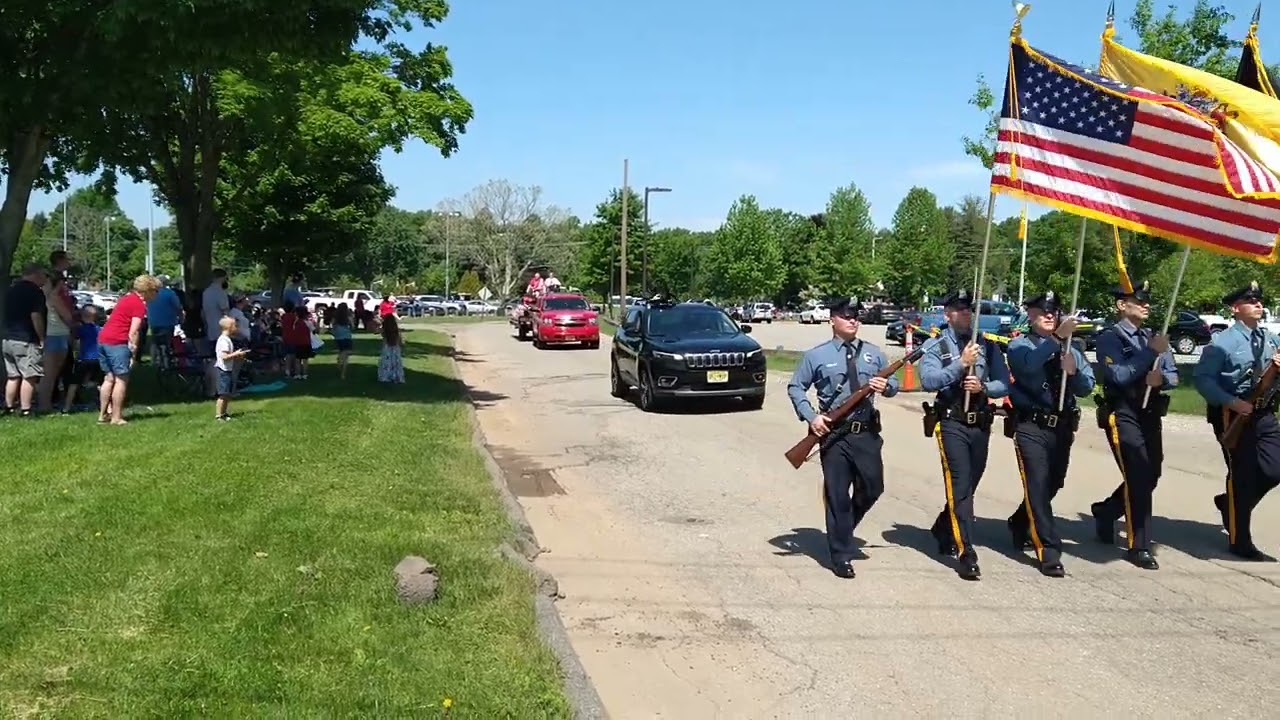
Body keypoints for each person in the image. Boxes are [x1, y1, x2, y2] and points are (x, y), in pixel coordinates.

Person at [785, 296, 899, 579]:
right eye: (846, 316)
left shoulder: (873, 353)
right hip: (834, 435)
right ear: (832, 319)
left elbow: (894, 385)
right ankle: (840, 555)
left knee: (873, 487)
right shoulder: (816, 356)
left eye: (856, 316)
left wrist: (885, 386)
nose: (852, 321)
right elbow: (796, 387)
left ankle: (843, 529)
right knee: (837, 495)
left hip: (866, 433)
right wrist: (812, 417)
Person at [918, 289, 1010, 581]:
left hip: (979, 423)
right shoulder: (936, 345)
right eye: (959, 309)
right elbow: (928, 380)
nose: (966, 313)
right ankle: (966, 551)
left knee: (970, 484)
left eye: (968, 309)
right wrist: (960, 364)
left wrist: (984, 387)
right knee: (960, 486)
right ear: (947, 314)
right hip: (952, 423)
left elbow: (1003, 382)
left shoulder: (987, 345)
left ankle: (943, 526)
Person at [1004, 291, 1095, 577]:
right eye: (1042, 311)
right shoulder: (1019, 345)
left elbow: (1087, 387)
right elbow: (1029, 366)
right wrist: (1056, 339)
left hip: (1062, 426)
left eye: (1053, 311)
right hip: (1031, 425)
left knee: (1054, 482)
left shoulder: (1071, 348)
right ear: (1030, 315)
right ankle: (1049, 550)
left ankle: (1020, 521)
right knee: (1038, 485)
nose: (1049, 315)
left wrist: (1074, 372)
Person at [1089, 280, 1177, 570]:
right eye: (1139, 301)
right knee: (1138, 474)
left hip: (1150, 414)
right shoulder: (1109, 338)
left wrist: (1161, 379)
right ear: (1121, 305)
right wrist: (1150, 354)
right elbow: (1118, 375)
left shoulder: (1153, 337)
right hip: (1124, 412)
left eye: (1146, 301)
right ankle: (1139, 545)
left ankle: (1107, 511)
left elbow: (1173, 375)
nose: (1145, 305)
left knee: (1152, 473)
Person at [1192, 280, 1280, 560]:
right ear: (1235, 308)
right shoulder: (1222, 343)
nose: (1258, 304)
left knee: (1275, 468)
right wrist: (1231, 402)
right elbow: (1203, 379)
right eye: (1250, 301)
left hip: (1264, 412)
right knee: (1242, 475)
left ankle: (1229, 503)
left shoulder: (1270, 339)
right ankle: (1240, 540)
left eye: (1259, 301)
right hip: (1232, 414)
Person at [97, 275, 161, 425]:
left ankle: (102, 415)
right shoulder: (139, 305)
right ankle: (116, 417)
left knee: (109, 378)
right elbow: (134, 332)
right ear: (148, 290)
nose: (157, 294)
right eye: (156, 291)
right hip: (117, 342)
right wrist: (133, 353)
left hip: (103, 339)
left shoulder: (126, 298)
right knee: (121, 379)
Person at [2, 263, 49, 417]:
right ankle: (26, 409)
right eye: (44, 275)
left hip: (8, 337)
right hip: (26, 338)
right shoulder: (35, 292)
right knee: (29, 375)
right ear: (36, 274)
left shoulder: (12, 289)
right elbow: (36, 316)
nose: (45, 279)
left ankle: (8, 406)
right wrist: (41, 338)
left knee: (13, 375)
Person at [38, 271, 75, 412]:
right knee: (50, 374)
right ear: (59, 283)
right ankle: (44, 405)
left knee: (49, 374)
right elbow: (67, 317)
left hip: (50, 334)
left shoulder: (42, 297)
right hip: (57, 335)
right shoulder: (54, 297)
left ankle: (46, 403)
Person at [63, 306, 102, 414]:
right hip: (98, 359)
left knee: (74, 383)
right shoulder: (99, 329)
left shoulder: (80, 329)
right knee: (100, 383)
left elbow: (73, 339)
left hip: (84, 359)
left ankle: (66, 407)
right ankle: (105, 406)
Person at [213, 316, 249, 421]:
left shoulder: (227, 339)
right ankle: (219, 415)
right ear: (229, 327)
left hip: (227, 369)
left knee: (227, 393)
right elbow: (224, 357)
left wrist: (238, 355)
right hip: (223, 370)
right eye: (235, 326)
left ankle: (224, 413)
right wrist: (236, 354)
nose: (237, 328)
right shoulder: (224, 340)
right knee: (223, 394)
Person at [146, 274, 184, 358]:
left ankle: (154, 359)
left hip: (154, 322)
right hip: (168, 322)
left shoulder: (151, 293)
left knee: (155, 342)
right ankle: (166, 359)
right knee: (167, 343)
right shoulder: (170, 293)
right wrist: (181, 319)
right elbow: (178, 307)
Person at [330, 304, 355, 380]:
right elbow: (353, 327)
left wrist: (334, 331)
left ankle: (339, 361)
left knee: (341, 352)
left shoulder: (335, 317)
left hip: (338, 337)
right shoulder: (348, 316)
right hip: (347, 336)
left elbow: (332, 325)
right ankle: (343, 373)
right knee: (346, 356)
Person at [378, 314, 405, 383]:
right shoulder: (396, 329)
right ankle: (396, 376)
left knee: (387, 362)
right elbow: (400, 340)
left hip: (387, 347)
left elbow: (378, 331)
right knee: (395, 362)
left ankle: (386, 376)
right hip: (395, 347)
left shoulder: (384, 329)